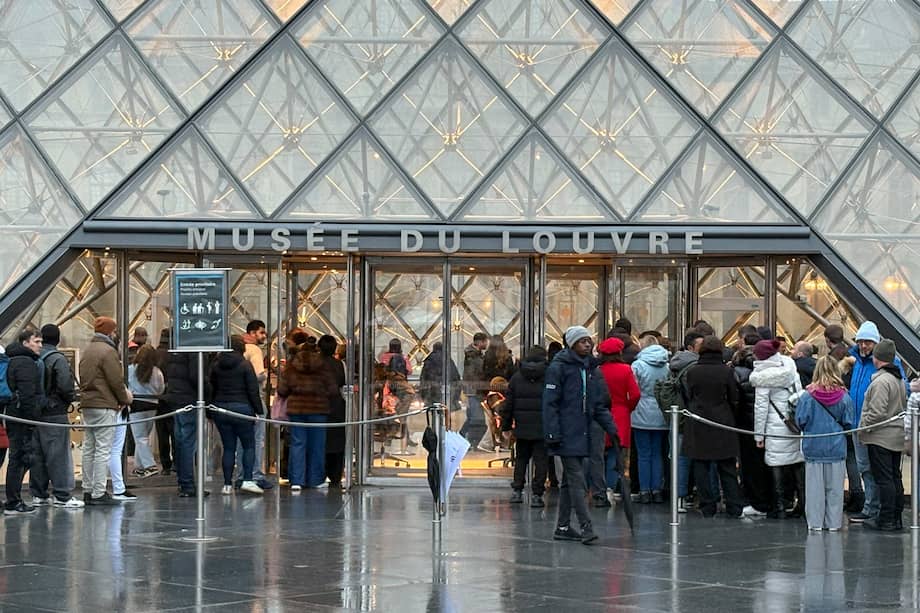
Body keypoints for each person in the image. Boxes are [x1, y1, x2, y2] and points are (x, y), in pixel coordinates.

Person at [543, 326, 618, 545]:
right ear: (572, 343)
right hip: (566, 432)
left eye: (589, 341)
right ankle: (586, 526)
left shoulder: (590, 368)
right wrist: (552, 432)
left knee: (569, 480)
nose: (587, 344)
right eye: (582, 341)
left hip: (583, 430)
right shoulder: (559, 368)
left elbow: (598, 403)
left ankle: (563, 525)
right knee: (577, 480)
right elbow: (550, 403)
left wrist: (610, 427)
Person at [845, 321, 907, 525]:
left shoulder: (886, 368)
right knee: (867, 468)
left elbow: (882, 404)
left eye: (868, 342)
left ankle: (878, 510)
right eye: (861, 341)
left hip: (872, 428)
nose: (863, 346)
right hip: (860, 425)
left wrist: (866, 422)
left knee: (878, 472)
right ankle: (874, 508)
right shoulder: (856, 361)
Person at [682, 335, 743, 518]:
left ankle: (707, 505)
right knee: (727, 467)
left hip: (699, 421)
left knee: (701, 466)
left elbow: (689, 395)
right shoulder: (726, 371)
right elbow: (734, 397)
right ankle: (734, 505)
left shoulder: (693, 371)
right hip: (723, 422)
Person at [794, 357, 855, 531]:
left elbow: (800, 420)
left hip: (813, 447)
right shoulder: (844, 396)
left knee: (814, 490)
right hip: (836, 448)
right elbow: (849, 422)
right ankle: (834, 524)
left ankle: (815, 524)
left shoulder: (807, 396)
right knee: (835, 490)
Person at [79, 317, 132, 505]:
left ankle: (87, 488)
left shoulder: (88, 351)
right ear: (110, 332)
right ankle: (99, 492)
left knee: (89, 448)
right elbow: (116, 381)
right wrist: (125, 399)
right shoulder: (108, 351)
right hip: (104, 405)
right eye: (115, 331)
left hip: (88, 405)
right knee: (103, 449)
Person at [750, 339, 805, 519]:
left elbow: (761, 408)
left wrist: (759, 436)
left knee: (776, 465)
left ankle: (780, 505)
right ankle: (803, 504)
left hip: (775, 426)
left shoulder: (762, 375)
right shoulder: (790, 366)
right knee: (797, 463)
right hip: (794, 423)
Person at [29, 324, 82, 509]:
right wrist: (66, 401)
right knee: (58, 454)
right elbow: (66, 386)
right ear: (58, 339)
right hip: (55, 412)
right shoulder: (57, 359)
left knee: (38, 454)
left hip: (35, 413)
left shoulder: (35, 356)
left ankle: (39, 493)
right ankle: (62, 494)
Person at [859, 339, 908, 531]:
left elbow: (877, 412)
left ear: (877, 357)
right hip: (895, 436)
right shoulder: (898, 380)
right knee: (894, 477)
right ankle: (895, 517)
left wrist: (863, 426)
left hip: (880, 437)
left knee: (884, 479)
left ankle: (886, 518)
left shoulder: (881, 381)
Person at [278, 343, 338, 491]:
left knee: (298, 444)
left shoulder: (291, 367)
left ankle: (297, 480)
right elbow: (333, 389)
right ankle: (315, 479)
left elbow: (282, 390)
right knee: (317, 445)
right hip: (318, 410)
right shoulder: (323, 367)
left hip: (297, 410)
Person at [211, 336, 264, 495]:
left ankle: (227, 484)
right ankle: (247, 479)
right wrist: (259, 411)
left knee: (228, 447)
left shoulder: (216, 365)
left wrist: (209, 411)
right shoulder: (245, 365)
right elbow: (252, 390)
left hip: (220, 408)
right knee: (248, 445)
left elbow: (211, 388)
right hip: (242, 409)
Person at [502, 346, 549, 508]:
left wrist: (506, 426)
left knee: (521, 459)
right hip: (542, 427)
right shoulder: (549, 376)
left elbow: (508, 405)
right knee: (541, 461)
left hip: (522, 427)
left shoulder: (516, 378)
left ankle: (517, 491)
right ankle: (537, 494)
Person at [4, 329, 45, 515]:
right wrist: (32, 418)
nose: (40, 345)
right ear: (25, 343)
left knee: (17, 457)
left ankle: (13, 498)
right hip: (21, 417)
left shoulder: (11, 359)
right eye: (36, 341)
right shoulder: (26, 363)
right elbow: (28, 394)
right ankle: (13, 500)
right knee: (20, 458)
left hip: (12, 414)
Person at [733, 332, 772, 517]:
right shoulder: (766, 373)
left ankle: (755, 501)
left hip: (744, 426)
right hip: (765, 425)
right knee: (764, 464)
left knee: (749, 465)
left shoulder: (738, 374)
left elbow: (736, 401)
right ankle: (768, 500)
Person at [595, 337, 639, 502]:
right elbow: (635, 394)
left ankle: (598, 487)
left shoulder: (598, 370)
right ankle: (610, 488)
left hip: (600, 414)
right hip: (620, 414)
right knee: (616, 454)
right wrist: (628, 407)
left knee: (599, 454)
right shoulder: (626, 369)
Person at [630, 335, 670, 504]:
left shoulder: (637, 365)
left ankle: (645, 490)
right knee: (657, 454)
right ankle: (657, 490)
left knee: (643, 454)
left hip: (641, 411)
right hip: (661, 412)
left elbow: (633, 390)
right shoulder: (666, 366)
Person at [163, 347, 206, 497]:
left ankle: (183, 481)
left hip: (176, 399)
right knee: (188, 442)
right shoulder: (193, 351)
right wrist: (207, 392)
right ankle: (187, 483)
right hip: (189, 399)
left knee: (180, 440)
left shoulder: (174, 352)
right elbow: (196, 376)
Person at [670, 330, 703, 511]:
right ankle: (683, 495)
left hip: (680, 415)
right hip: (690, 415)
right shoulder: (692, 368)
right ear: (691, 347)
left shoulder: (676, 363)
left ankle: (680, 495)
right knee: (686, 457)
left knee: (681, 457)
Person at [241, 320, 272, 490]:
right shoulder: (254, 350)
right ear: (252, 333)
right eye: (261, 332)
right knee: (257, 439)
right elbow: (259, 374)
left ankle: (241, 475)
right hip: (254, 398)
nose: (264, 336)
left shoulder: (237, 349)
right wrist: (266, 374)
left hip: (238, 400)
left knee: (242, 441)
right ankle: (256, 474)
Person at [127, 345, 165, 478]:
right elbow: (161, 389)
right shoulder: (157, 371)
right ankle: (139, 467)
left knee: (140, 438)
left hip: (136, 405)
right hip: (153, 405)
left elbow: (124, 386)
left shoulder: (130, 369)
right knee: (143, 437)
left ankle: (150, 465)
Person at [318, 335, 346, 489]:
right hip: (336, 406)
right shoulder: (339, 365)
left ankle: (318, 474)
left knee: (319, 441)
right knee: (336, 441)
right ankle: (335, 475)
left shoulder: (314, 364)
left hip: (317, 406)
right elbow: (343, 382)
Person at [154, 329, 175, 476]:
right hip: (173, 396)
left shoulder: (155, 354)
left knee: (162, 434)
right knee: (176, 432)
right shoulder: (175, 353)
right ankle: (177, 463)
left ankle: (166, 464)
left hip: (158, 398)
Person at [461, 333, 488, 443]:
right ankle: (471, 442)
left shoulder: (474, 354)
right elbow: (473, 374)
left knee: (472, 417)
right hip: (474, 390)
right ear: (480, 342)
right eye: (485, 341)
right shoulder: (473, 356)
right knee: (477, 419)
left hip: (473, 390)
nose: (486, 344)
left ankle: (462, 438)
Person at [419, 341, 460, 409]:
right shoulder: (448, 359)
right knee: (444, 410)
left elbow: (423, 377)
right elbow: (455, 376)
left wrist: (423, 394)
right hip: (445, 390)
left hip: (432, 391)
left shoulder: (429, 359)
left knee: (434, 410)